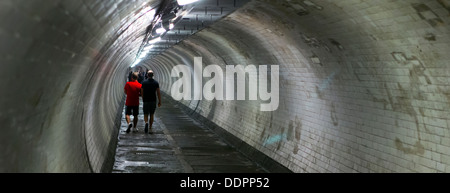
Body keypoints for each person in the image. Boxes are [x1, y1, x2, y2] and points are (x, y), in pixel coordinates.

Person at [141, 70, 161, 134]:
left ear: (147, 75)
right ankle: (150, 127)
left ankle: (146, 122)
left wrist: (143, 98)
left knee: (145, 114)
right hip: (153, 100)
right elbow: (158, 93)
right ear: (153, 75)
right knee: (152, 114)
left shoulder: (144, 82)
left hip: (146, 100)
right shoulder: (156, 83)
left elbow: (142, 91)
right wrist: (159, 101)